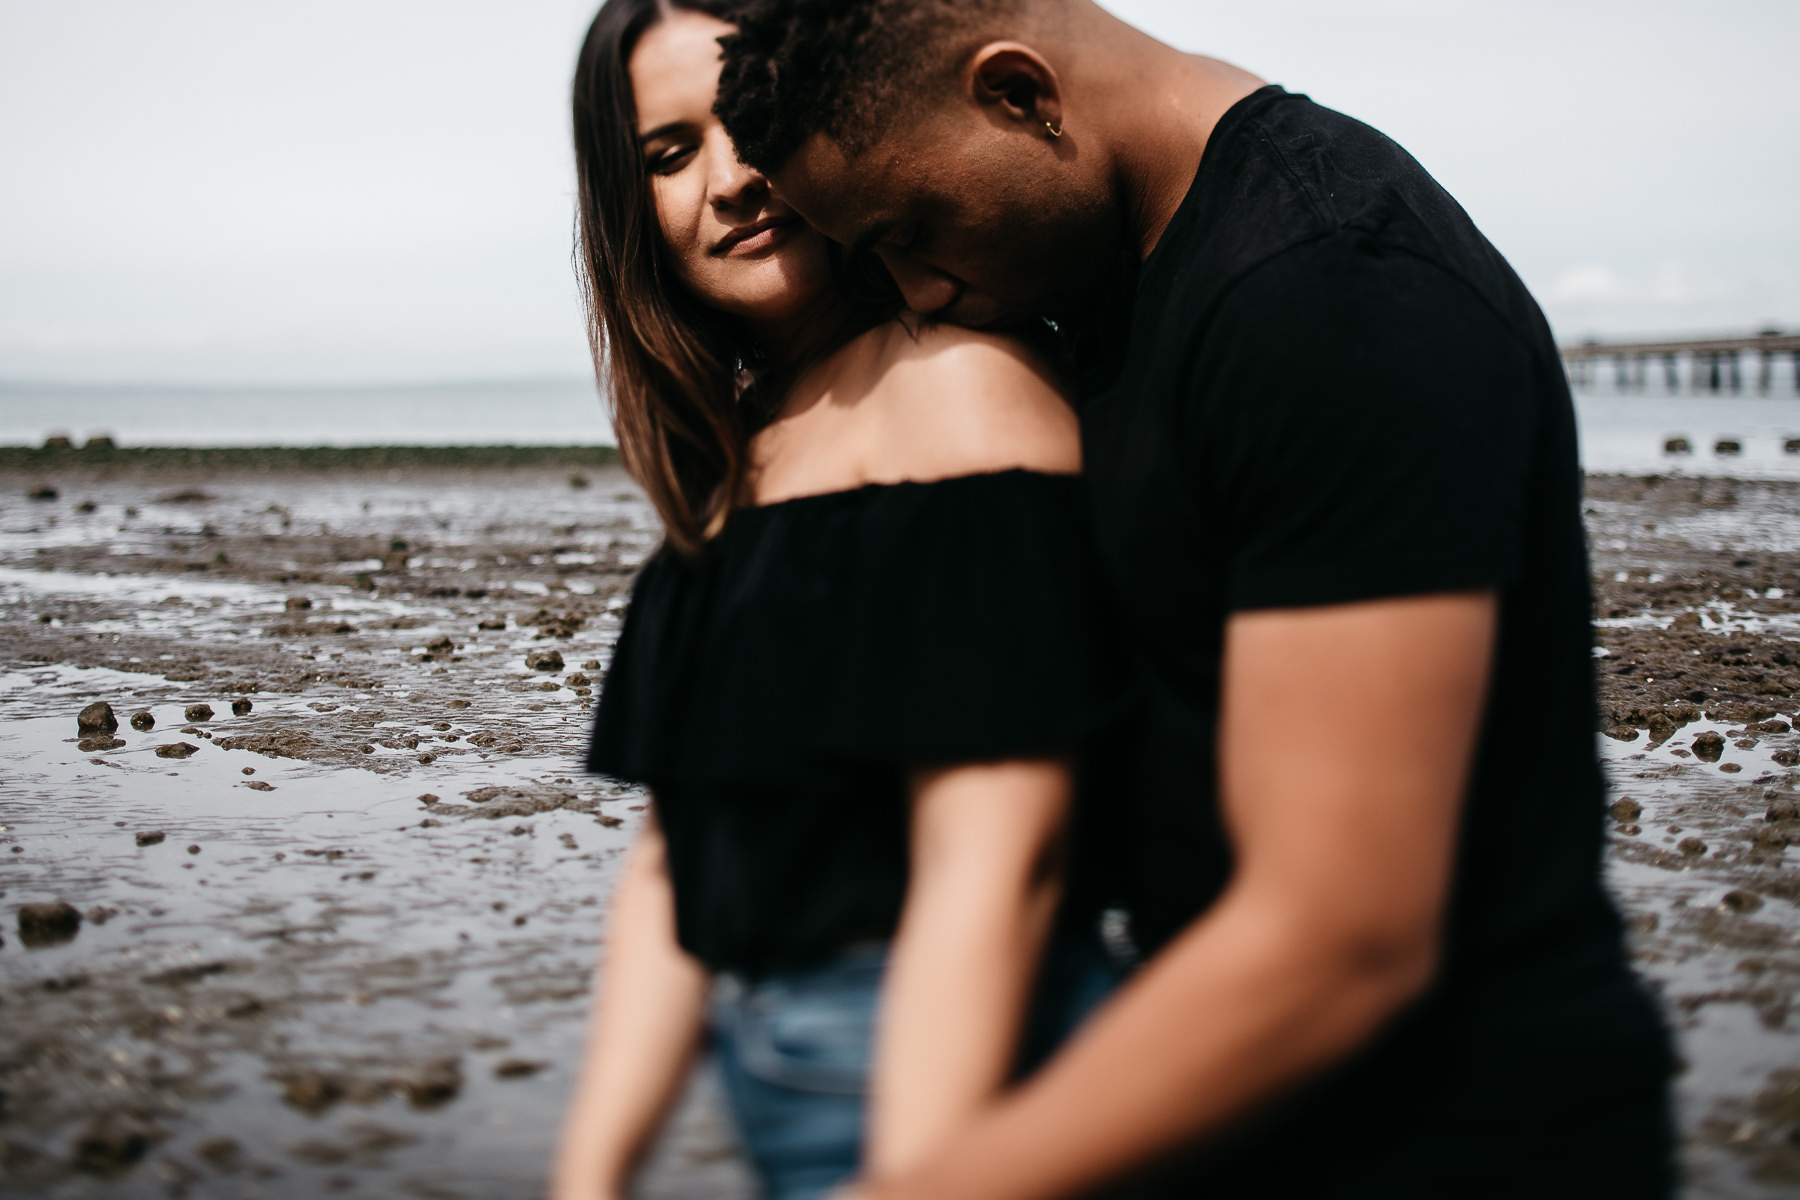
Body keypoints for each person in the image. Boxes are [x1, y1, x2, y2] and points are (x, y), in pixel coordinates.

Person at [711, 1, 1677, 1196]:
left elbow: (1340, 941)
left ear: (1021, 94)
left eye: (913, 230)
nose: (918, 291)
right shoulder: (1123, 275)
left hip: (1459, 1135)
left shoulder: (1326, 292)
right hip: (1254, 1119)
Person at [549, 3, 1125, 1199]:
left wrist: (920, 1174)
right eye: (667, 155)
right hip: (780, 1072)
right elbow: (677, 862)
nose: (730, 183)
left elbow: (996, 854)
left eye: (750, 122)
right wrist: (592, 1173)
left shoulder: (962, 381)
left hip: (956, 1071)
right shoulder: (740, 459)